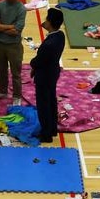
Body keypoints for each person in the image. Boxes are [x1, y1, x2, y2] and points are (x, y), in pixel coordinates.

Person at [30, 8, 65, 143]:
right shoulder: (60, 36)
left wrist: (33, 64)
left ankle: (46, 134)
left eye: (47, 19)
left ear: (50, 22)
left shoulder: (48, 45)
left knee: (43, 105)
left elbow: (38, 61)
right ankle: (52, 128)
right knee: (51, 101)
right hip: (53, 72)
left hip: (44, 76)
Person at [0, 0, 27, 106]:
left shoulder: (21, 9)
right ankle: (2, 91)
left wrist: (1, 27)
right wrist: (9, 26)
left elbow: (16, 30)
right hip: (0, 44)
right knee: (2, 70)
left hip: (14, 46)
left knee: (16, 73)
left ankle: (17, 96)